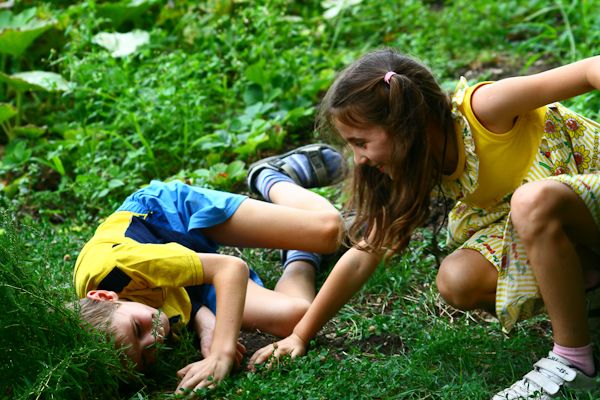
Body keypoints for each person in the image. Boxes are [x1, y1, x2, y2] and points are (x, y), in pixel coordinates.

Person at [247, 49, 600, 399]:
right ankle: (588, 293)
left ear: (406, 126)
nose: (359, 159)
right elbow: (363, 255)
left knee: (532, 200)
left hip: (588, 191)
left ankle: (572, 361)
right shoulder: (417, 164)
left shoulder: (485, 109)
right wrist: (300, 334)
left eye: (361, 142)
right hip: (563, 226)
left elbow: (589, 70)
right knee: (458, 279)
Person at [74, 151, 346, 395]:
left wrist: (220, 353)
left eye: (137, 329)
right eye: (145, 355)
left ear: (104, 296)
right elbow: (178, 297)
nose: (154, 337)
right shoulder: (133, 317)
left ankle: (271, 175)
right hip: (189, 277)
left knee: (329, 232)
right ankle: (302, 254)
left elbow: (230, 268)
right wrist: (208, 327)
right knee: (299, 318)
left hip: (172, 218)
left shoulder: (115, 266)